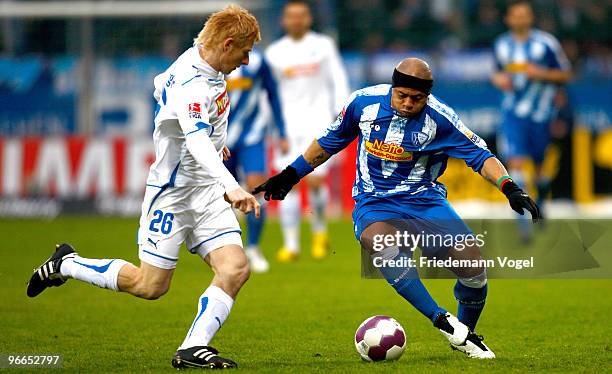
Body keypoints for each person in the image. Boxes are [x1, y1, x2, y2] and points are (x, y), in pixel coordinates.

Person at [254, 58, 541, 359]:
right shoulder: (362, 103)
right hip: (373, 202)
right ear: (392, 87)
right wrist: (290, 175)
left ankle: (464, 336)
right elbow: (329, 142)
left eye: (416, 99)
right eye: (401, 95)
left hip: (425, 201)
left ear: (427, 96)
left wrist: (510, 187)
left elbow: (481, 156)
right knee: (382, 244)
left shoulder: (441, 120)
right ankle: (441, 319)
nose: (407, 103)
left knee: (474, 270)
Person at [26, 5, 261, 369]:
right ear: (228, 44)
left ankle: (192, 348)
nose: (246, 61)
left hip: (206, 193)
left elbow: (163, 93)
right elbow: (195, 139)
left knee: (235, 269)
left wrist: (215, 143)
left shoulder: (201, 62)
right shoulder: (192, 82)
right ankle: (67, 263)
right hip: (174, 194)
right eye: (244, 52)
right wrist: (230, 184)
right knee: (150, 286)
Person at [265, 0, 349, 262]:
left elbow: (338, 79)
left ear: (308, 19)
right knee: (285, 182)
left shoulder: (323, 45)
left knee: (314, 181)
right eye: (291, 16)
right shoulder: (275, 53)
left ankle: (319, 231)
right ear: (284, 21)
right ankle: (291, 245)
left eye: (301, 16)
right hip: (287, 126)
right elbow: (268, 92)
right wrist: (272, 127)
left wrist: (341, 114)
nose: (296, 21)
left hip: (318, 122)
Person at [491, 0, 571, 240]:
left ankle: (541, 203)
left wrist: (542, 73)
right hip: (513, 114)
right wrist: (498, 80)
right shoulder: (501, 44)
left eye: (524, 15)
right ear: (508, 19)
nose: (520, 20)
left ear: (530, 18)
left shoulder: (546, 44)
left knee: (539, 169)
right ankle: (523, 225)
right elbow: (496, 72)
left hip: (541, 115)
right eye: (516, 16)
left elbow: (565, 73)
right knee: (515, 163)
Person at [224, 48, 289, 273]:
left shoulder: (259, 61)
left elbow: (273, 94)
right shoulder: (214, 60)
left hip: (252, 135)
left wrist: (281, 131)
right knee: (221, 195)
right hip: (222, 138)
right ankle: (225, 249)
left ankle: (253, 247)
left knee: (256, 189)